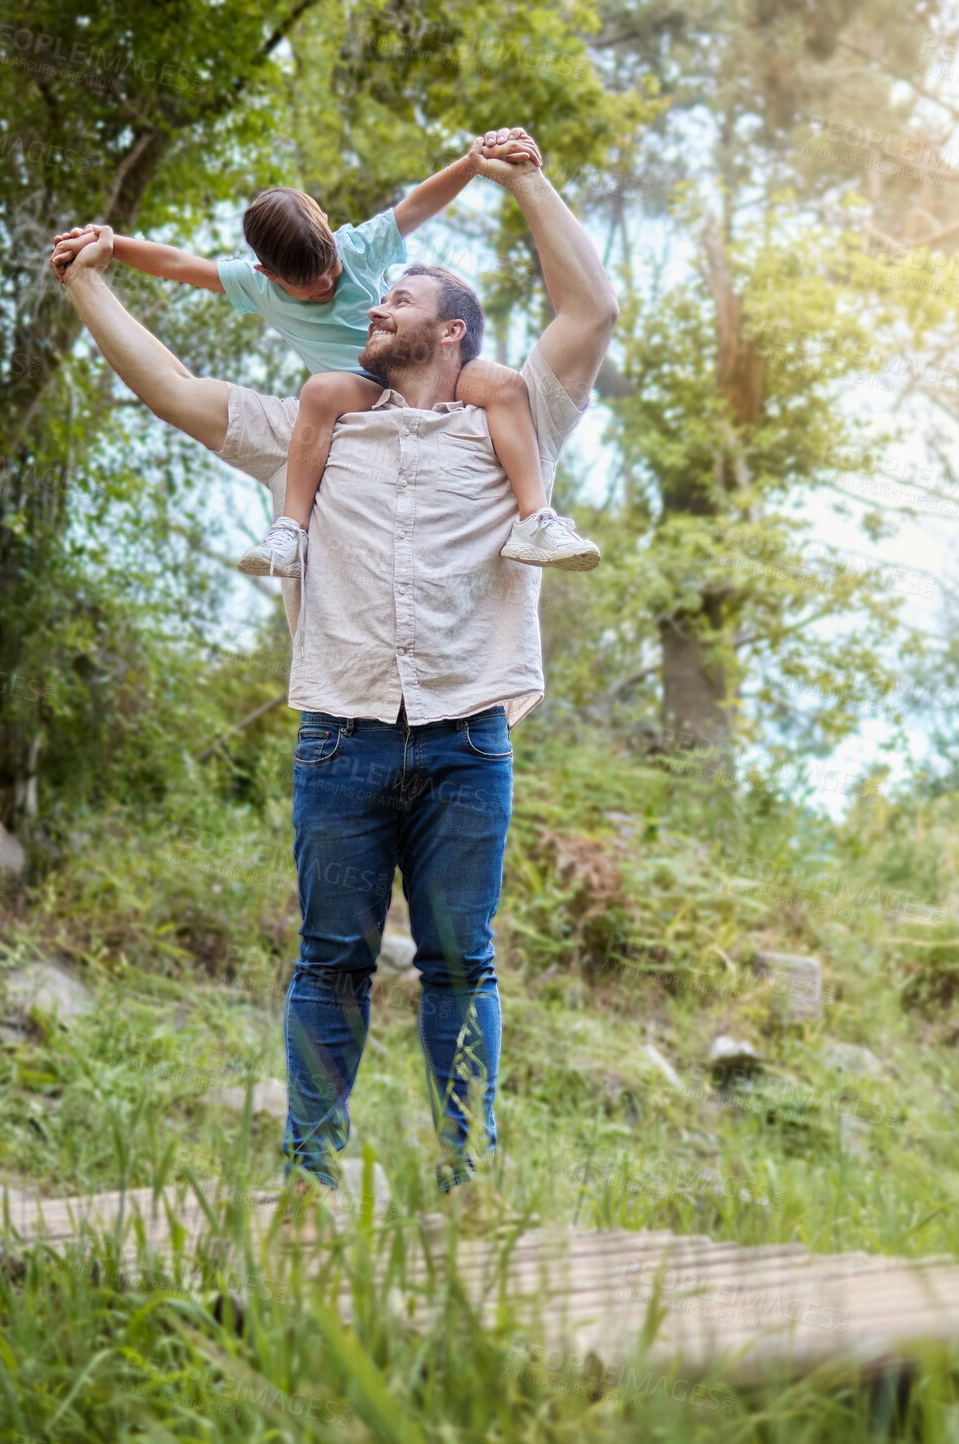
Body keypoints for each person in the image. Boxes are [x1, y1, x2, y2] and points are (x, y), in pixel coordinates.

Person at [51, 127, 618, 1213]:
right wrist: (93, 289)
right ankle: (309, 1184)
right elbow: (175, 389)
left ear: (450, 329)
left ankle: (470, 1186)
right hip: (341, 740)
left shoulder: (519, 417)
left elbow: (587, 309)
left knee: (462, 967)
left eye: (396, 298)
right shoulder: (315, 429)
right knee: (330, 964)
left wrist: (528, 182)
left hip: (466, 742)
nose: (371, 308)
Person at [52, 129, 600, 579]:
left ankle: (537, 518)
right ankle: (291, 529)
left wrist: (471, 163)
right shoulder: (254, 284)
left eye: (331, 271)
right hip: (360, 388)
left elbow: (416, 205)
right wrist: (111, 243)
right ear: (269, 276)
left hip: (429, 376)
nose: (329, 286)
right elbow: (177, 264)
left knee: (504, 386)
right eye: (312, 287)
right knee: (319, 391)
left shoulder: (357, 248)